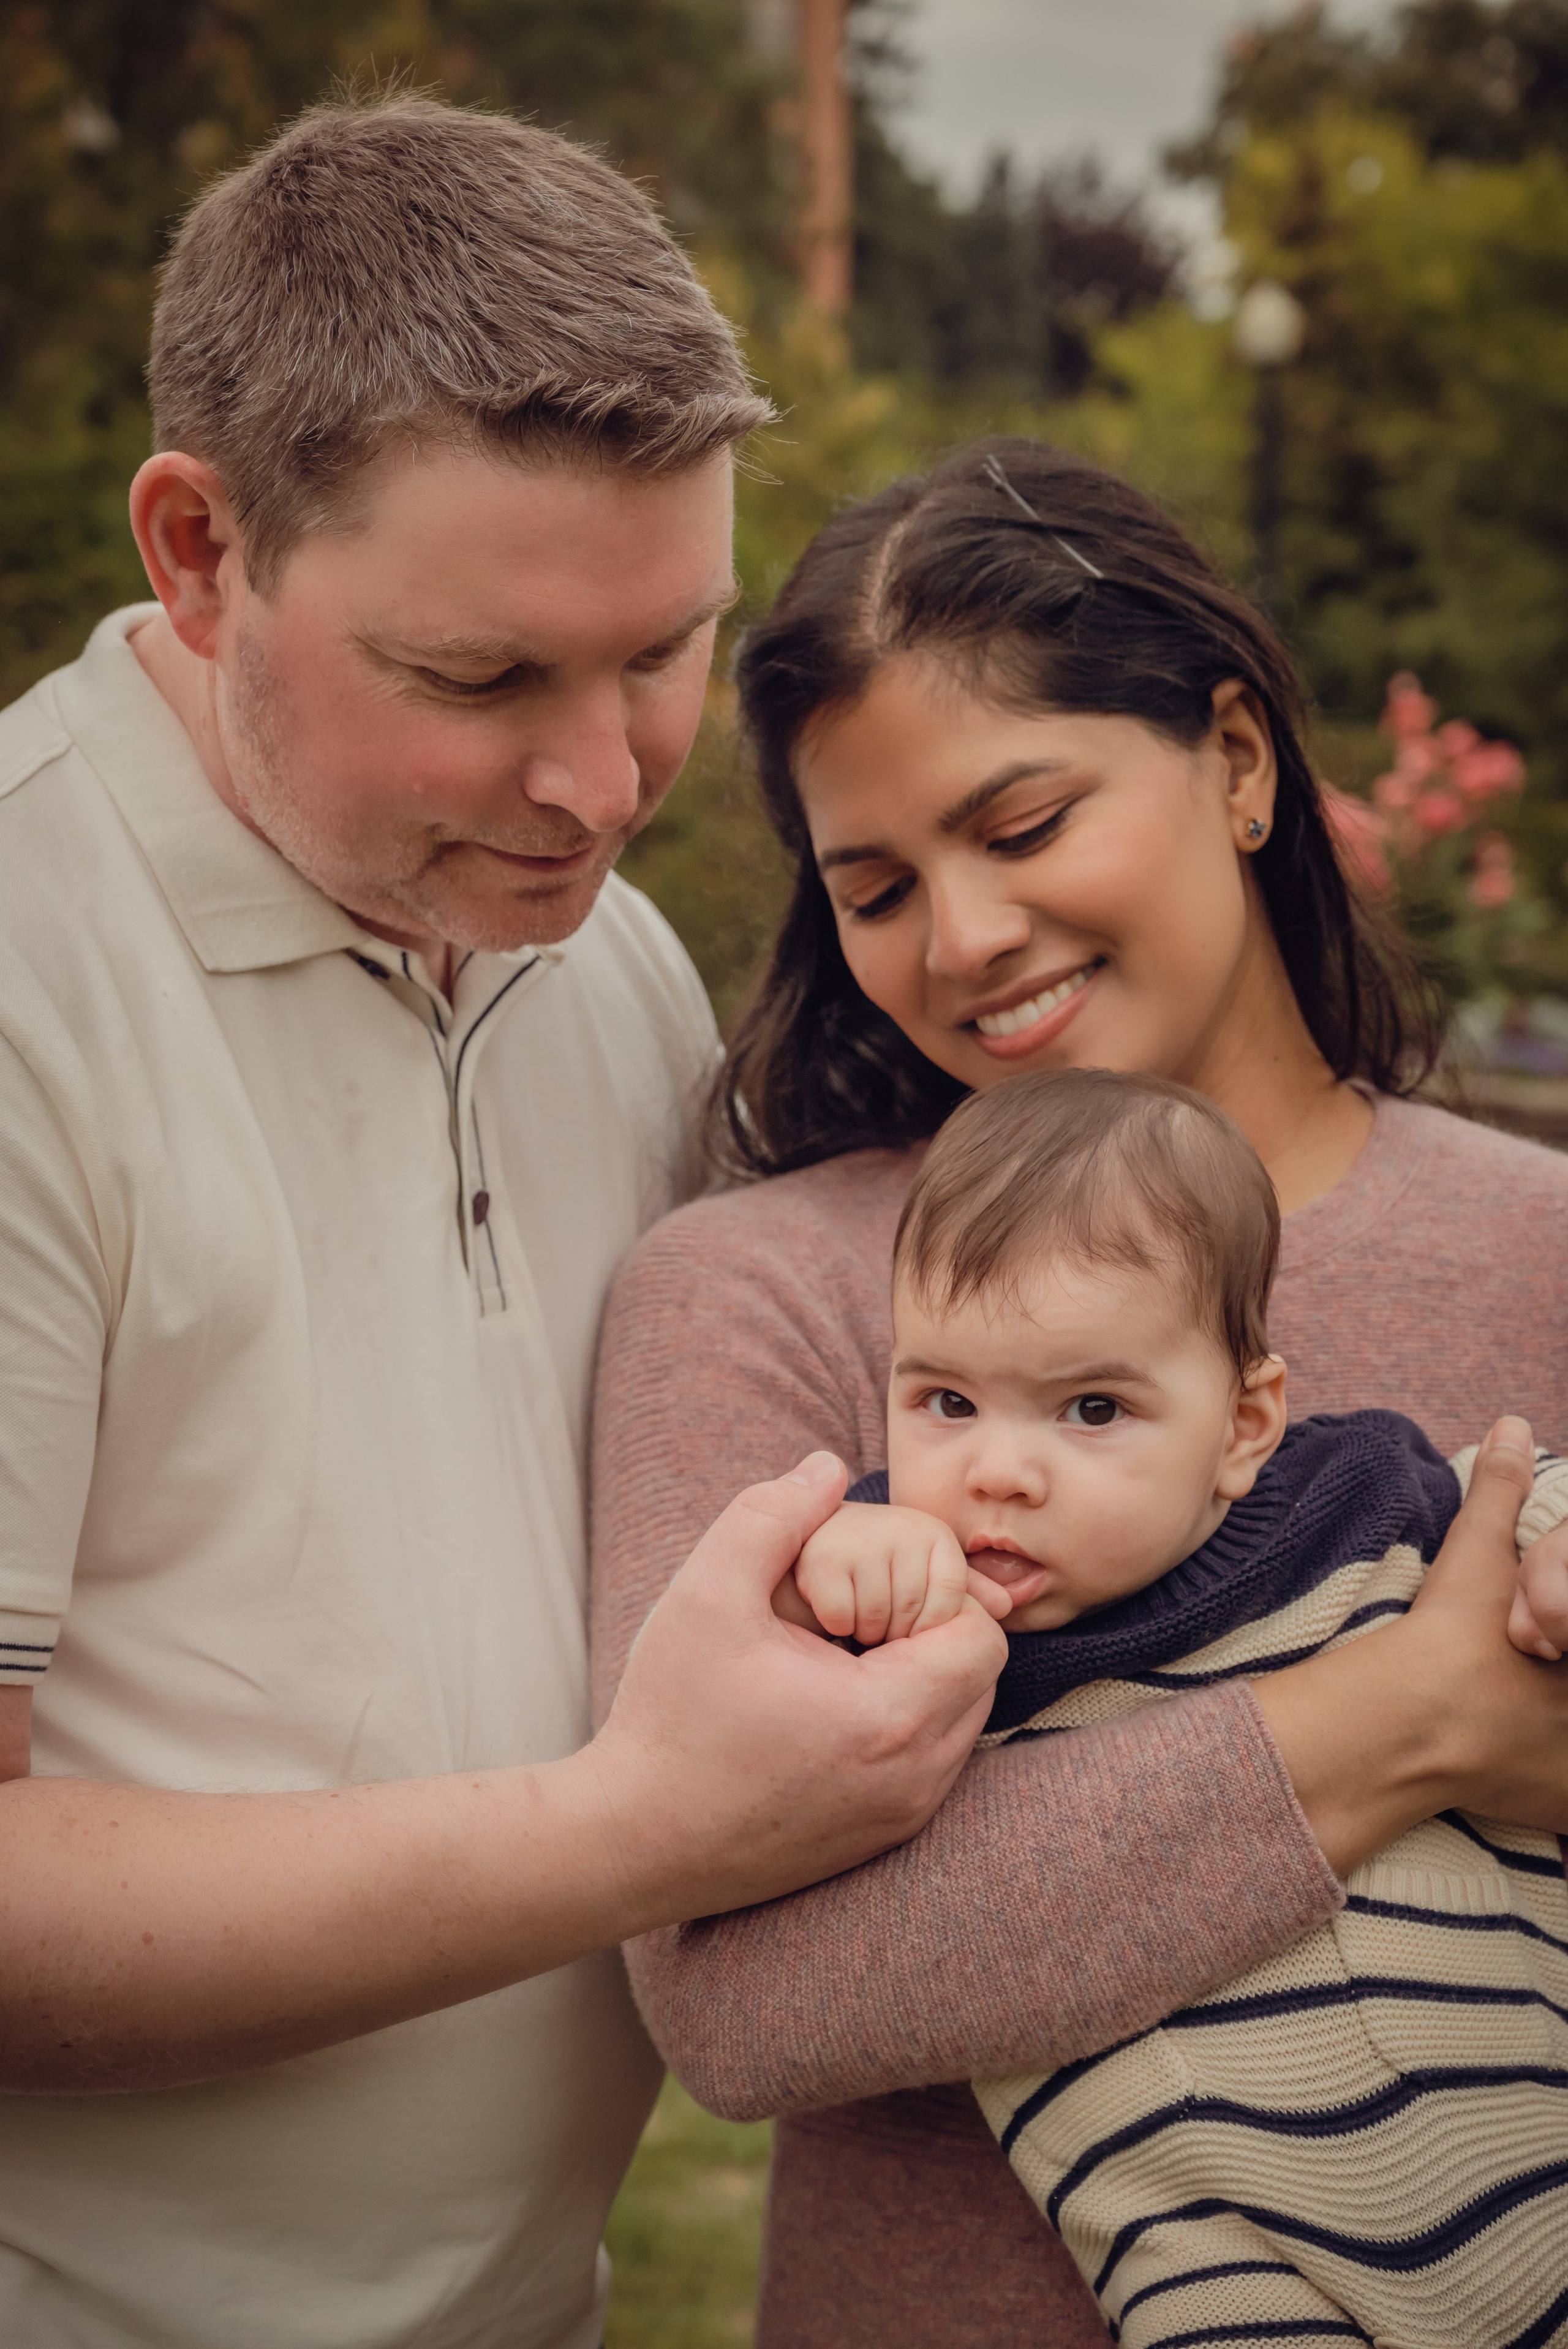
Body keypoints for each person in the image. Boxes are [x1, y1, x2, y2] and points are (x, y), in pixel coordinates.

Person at [0, 94, 1011, 2349]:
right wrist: (650, 1827)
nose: (604, 785)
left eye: (663, 651)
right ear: (200, 546)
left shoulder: (604, 962)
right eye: (481, 679)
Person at [589, 435, 1568, 2349]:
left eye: (1024, 825)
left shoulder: (1545, 1249)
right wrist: (1423, 1713)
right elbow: (741, 1992)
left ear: (1238, 757)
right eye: (879, 887)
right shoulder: (766, 1290)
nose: (962, 939)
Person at [785, 1066, 1568, 2346]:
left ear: (1244, 1424)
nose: (996, 1471)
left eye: (1092, 1408)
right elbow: (751, 1780)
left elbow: (1521, 1495)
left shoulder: (1362, 1501)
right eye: (945, 1402)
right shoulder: (909, 1617)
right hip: (1216, 2255)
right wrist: (828, 1577)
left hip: (1517, 2124)